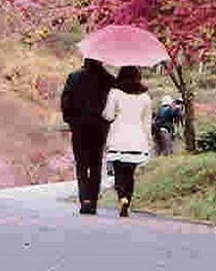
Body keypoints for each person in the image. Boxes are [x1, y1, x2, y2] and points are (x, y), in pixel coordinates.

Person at [61, 57, 114, 214]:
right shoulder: (108, 79)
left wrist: (70, 120)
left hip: (79, 127)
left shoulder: (74, 77)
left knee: (82, 164)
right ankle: (94, 201)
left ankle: (85, 200)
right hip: (100, 127)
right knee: (96, 164)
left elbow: (65, 101)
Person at [103, 66, 154, 217]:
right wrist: (148, 140)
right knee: (130, 173)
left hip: (119, 137)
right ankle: (128, 201)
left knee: (119, 172)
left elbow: (109, 115)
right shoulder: (145, 97)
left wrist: (106, 114)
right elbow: (147, 122)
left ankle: (122, 197)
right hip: (137, 138)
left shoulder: (115, 93)